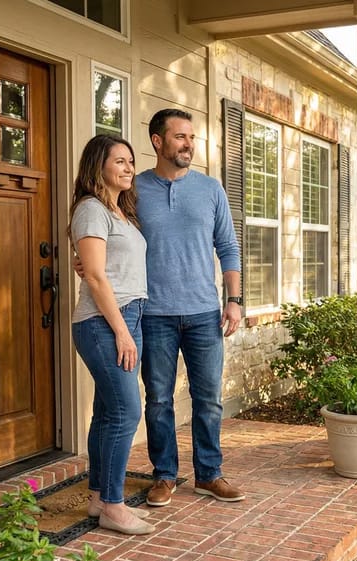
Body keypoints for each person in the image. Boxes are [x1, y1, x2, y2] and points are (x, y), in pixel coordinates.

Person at [137, 108, 245, 507]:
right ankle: (164, 475)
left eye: (192, 137)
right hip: (154, 313)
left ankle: (209, 474)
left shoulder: (210, 189)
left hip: (203, 312)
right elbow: (112, 236)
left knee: (208, 398)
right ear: (158, 141)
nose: (189, 144)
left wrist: (233, 300)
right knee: (159, 400)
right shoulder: (134, 189)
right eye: (180, 136)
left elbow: (228, 247)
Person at [70, 134, 155, 535]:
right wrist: (122, 331)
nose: (129, 168)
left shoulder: (119, 211)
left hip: (127, 315)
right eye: (119, 161)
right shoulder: (91, 209)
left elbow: (102, 266)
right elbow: (96, 276)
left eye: (131, 161)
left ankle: (98, 497)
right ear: (97, 166)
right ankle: (114, 506)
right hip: (105, 321)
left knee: (108, 412)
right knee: (126, 411)